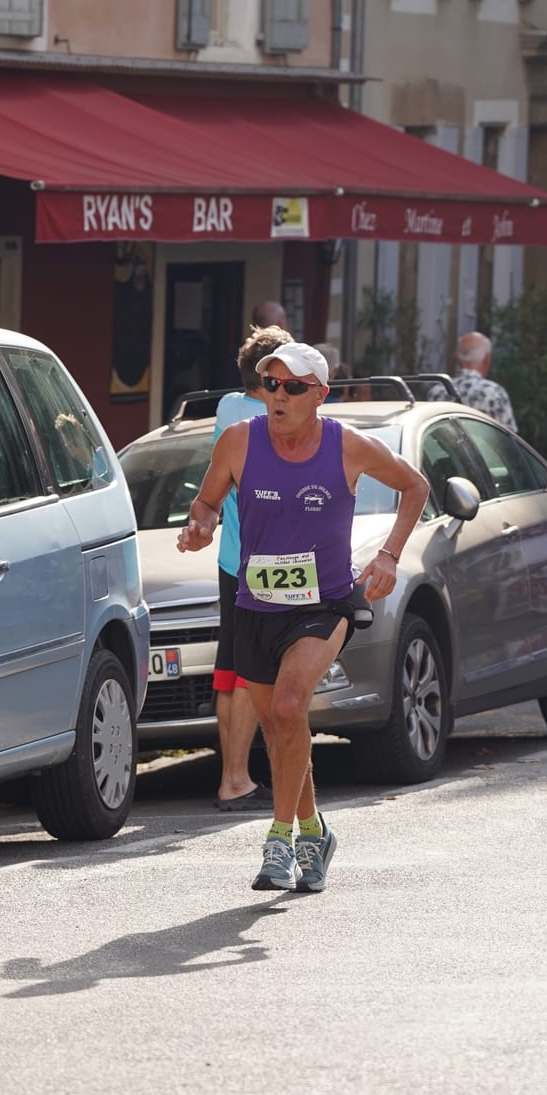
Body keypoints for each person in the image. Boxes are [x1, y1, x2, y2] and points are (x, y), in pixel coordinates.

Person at [177, 341, 430, 892]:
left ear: (320, 394)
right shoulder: (238, 442)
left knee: (291, 706)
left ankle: (278, 842)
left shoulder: (349, 447)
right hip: (255, 606)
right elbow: (206, 503)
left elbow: (416, 486)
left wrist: (388, 555)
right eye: (271, 385)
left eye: (292, 387)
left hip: (326, 603)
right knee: (280, 727)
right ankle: (315, 832)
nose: (278, 396)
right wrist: (199, 527)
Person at [209, 324, 295, 811]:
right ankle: (236, 780)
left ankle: (232, 775)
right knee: (251, 673)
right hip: (269, 560)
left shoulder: (226, 410)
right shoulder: (270, 417)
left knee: (231, 670)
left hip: (231, 557)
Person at [448, 332, 517, 434]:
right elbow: (509, 439)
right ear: (487, 358)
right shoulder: (494, 392)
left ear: (457, 358)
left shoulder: (438, 390)